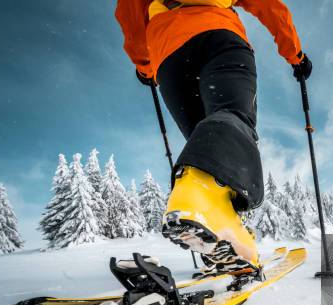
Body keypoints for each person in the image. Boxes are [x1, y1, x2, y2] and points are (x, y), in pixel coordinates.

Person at [115, 0, 312, 274]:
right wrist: (295, 54)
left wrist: (144, 65)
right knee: (231, 120)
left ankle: (225, 239)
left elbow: (130, 14)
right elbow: (269, 6)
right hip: (218, 36)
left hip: (169, 55)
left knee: (210, 147)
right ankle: (196, 205)